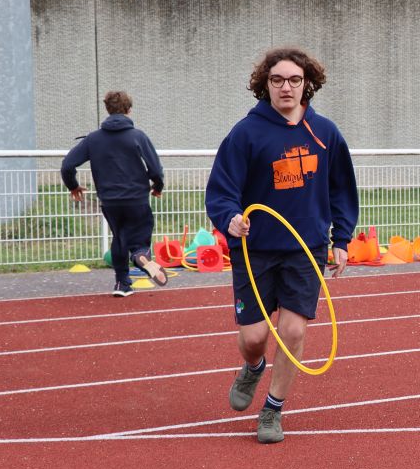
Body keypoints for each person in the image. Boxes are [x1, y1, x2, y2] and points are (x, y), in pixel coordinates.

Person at [205, 46, 359, 445]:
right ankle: (253, 366)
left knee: (292, 331)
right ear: (266, 84)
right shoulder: (246, 133)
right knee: (254, 337)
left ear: (307, 83)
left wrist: (341, 239)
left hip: (305, 249)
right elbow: (221, 190)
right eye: (277, 80)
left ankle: (273, 409)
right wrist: (230, 218)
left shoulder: (325, 133)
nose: (286, 87)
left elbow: (342, 190)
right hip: (254, 249)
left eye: (294, 79)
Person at [61, 91, 167, 296]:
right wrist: (157, 186)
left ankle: (122, 283)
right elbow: (155, 169)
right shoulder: (137, 136)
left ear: (107, 109)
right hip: (136, 198)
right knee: (139, 239)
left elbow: (67, 165)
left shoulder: (93, 139)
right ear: (129, 110)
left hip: (109, 200)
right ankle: (140, 256)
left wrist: (73, 186)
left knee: (119, 237)